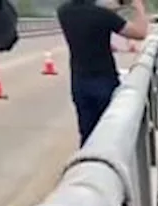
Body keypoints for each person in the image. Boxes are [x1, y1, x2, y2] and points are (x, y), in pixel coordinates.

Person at [56, 0, 149, 146]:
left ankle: (87, 165)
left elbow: (92, 22)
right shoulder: (102, 16)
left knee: (87, 134)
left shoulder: (63, 12)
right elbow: (141, 33)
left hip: (79, 82)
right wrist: (139, 6)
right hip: (104, 81)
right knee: (109, 134)